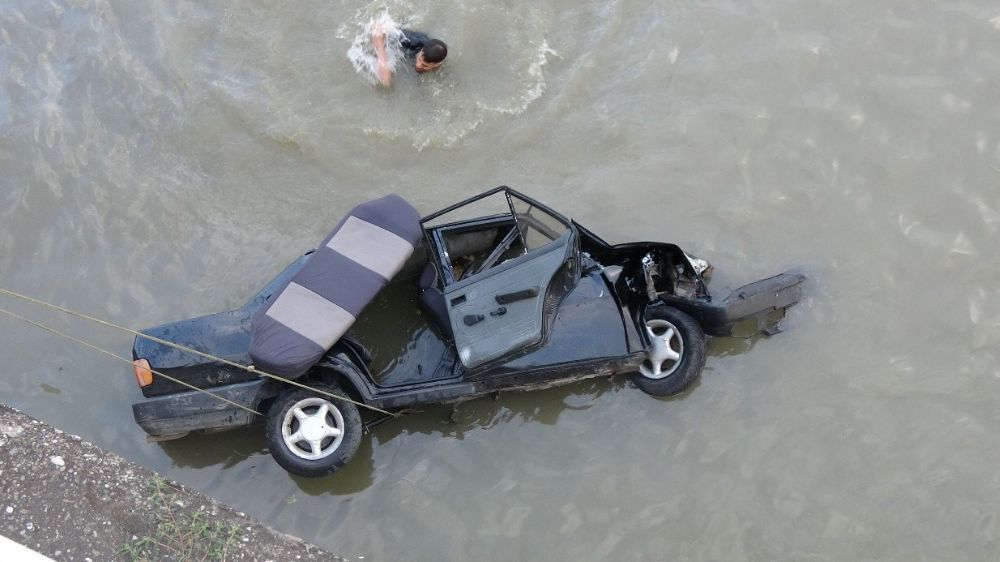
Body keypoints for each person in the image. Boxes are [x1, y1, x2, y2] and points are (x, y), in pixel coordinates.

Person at [372, 25, 448, 87]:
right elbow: (379, 29)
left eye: (425, 65)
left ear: (437, 64)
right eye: (419, 59)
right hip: (397, 43)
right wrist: (383, 61)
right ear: (421, 51)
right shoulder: (413, 41)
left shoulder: (438, 63)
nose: (418, 65)